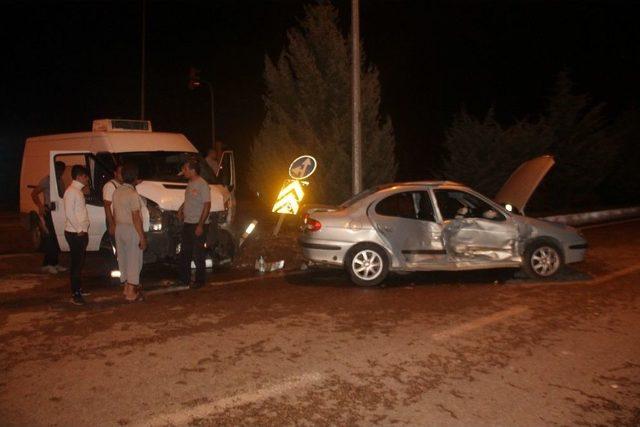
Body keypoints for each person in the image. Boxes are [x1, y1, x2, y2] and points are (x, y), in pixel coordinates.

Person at [112, 163, 147, 302]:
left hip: (119, 228)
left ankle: (126, 288)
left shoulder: (117, 191)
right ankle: (131, 293)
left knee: (124, 259)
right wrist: (142, 236)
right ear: (135, 178)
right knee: (134, 260)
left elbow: (114, 212)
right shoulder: (132, 194)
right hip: (131, 228)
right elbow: (136, 217)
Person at [178, 157, 211, 288]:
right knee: (185, 252)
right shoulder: (190, 183)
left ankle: (199, 281)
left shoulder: (202, 184)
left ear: (192, 170)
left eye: (185, 169)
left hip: (198, 223)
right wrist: (181, 209)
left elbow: (207, 205)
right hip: (188, 222)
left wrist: (201, 225)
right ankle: (184, 279)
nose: (183, 171)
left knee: (198, 254)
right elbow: (188, 199)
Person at [31, 161, 67, 274]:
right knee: (50, 238)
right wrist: (40, 206)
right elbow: (34, 193)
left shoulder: (60, 180)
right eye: (59, 170)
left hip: (58, 211)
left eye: (62, 170)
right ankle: (47, 264)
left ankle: (55, 263)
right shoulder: (46, 180)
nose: (60, 173)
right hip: (49, 211)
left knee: (56, 238)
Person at [63, 165, 91, 305]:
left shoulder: (76, 191)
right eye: (86, 176)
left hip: (78, 232)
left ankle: (78, 289)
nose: (87, 179)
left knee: (79, 264)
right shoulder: (72, 191)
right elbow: (69, 213)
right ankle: (75, 294)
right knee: (76, 264)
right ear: (79, 176)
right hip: (75, 233)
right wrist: (80, 229)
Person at [103, 164, 123, 238]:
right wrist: (112, 225)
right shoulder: (110, 186)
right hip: (114, 221)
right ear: (115, 173)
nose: (122, 175)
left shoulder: (122, 185)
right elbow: (107, 206)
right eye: (120, 172)